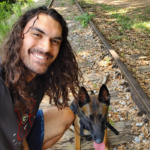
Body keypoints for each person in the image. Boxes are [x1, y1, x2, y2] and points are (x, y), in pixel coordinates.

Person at [0, 6, 82, 150]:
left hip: (18, 137)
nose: (46, 48)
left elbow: (20, 129)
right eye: (37, 34)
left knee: (67, 115)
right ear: (20, 34)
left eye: (55, 41)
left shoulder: (39, 76)